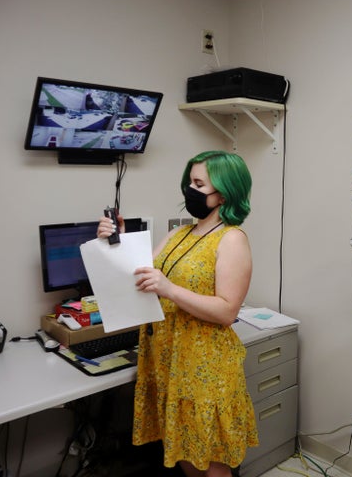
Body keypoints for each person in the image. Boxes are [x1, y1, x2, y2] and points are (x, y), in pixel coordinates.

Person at [97, 150, 258, 477]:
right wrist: (116, 241)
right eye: (189, 182)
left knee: (211, 463)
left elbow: (227, 311)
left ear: (224, 194)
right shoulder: (179, 234)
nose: (190, 190)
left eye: (199, 184)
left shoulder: (232, 240)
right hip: (170, 362)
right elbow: (139, 279)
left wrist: (170, 289)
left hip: (205, 368)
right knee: (185, 451)